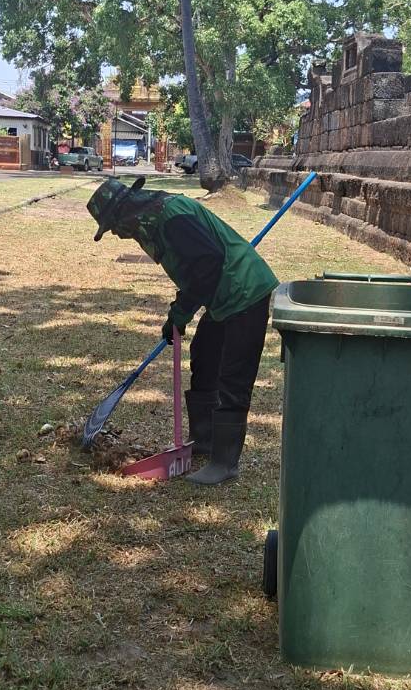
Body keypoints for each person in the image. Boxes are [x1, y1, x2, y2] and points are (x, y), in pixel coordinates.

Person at [87, 176, 277, 486]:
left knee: (233, 374)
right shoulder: (158, 216)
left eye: (114, 226)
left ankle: (224, 462)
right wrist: (177, 314)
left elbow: (208, 265)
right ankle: (203, 440)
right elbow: (198, 272)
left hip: (245, 291)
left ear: (126, 211)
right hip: (223, 295)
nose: (119, 234)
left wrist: (180, 314)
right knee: (204, 355)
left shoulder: (172, 218)